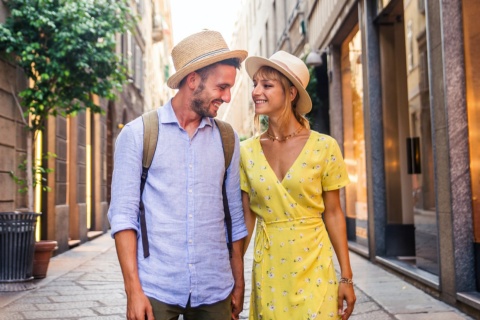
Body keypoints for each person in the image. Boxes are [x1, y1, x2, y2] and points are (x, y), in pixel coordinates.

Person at [108, 30, 248, 320]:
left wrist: (239, 282)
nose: (228, 97)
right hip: (157, 287)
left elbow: (234, 216)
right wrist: (133, 290)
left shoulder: (228, 139)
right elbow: (123, 215)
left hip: (215, 288)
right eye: (222, 87)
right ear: (193, 80)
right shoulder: (138, 135)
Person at [240, 51, 356, 319]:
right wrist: (234, 279)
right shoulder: (246, 152)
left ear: (291, 94)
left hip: (315, 265)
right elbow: (246, 219)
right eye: (255, 84)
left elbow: (334, 213)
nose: (256, 91)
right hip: (268, 270)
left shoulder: (325, 147)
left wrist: (346, 278)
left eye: (266, 85)